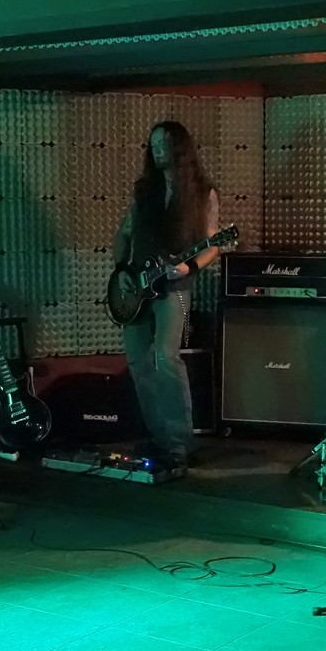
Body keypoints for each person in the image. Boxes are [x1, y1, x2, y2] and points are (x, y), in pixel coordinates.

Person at [111, 121, 222, 469]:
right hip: (136, 286)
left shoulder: (203, 193)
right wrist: (121, 271)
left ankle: (179, 442)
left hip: (174, 287)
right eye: (153, 145)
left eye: (163, 144)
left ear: (180, 148)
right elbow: (123, 235)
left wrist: (190, 267)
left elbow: (213, 243)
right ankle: (159, 436)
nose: (157, 150)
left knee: (166, 357)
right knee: (138, 362)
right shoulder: (145, 191)